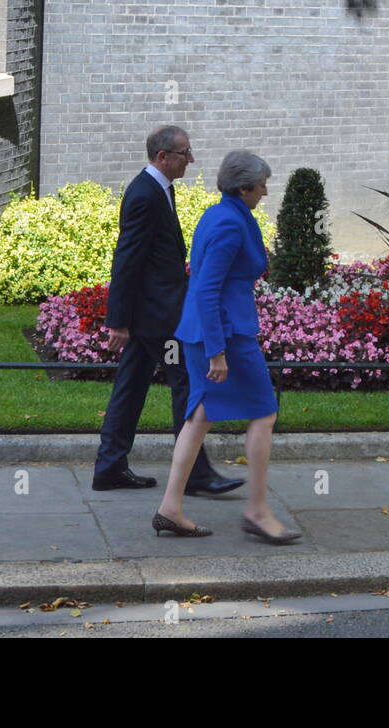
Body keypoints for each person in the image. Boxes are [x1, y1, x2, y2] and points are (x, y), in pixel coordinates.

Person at [151, 150, 302, 543]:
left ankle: (170, 508)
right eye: (262, 186)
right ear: (243, 187)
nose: (265, 192)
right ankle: (256, 511)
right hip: (226, 335)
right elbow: (207, 288)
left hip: (210, 331)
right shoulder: (231, 224)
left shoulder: (219, 214)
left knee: (200, 416)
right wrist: (218, 351)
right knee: (264, 413)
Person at [92, 125, 241, 498]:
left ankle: (110, 467)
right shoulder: (145, 194)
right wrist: (118, 321)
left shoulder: (159, 190)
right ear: (163, 157)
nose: (190, 160)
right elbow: (126, 259)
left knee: (130, 388)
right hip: (158, 318)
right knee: (188, 385)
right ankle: (194, 475)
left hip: (151, 316)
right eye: (184, 153)